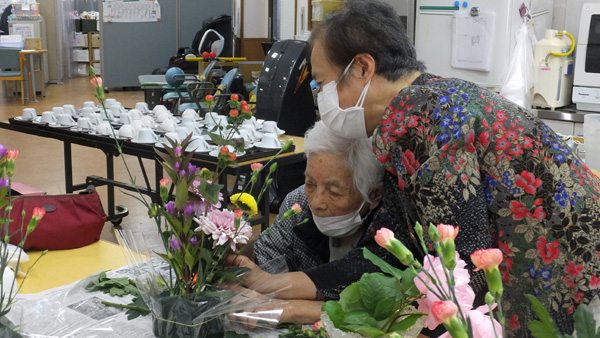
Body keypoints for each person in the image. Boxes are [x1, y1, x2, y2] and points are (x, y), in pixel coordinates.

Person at [309, 0, 600, 336]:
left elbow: (463, 267)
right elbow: (390, 249)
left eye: (321, 83)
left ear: (362, 67)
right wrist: (282, 288)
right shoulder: (422, 105)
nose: (320, 98)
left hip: (577, 278)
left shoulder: (421, 120)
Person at [228, 121, 406, 325]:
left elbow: (386, 312)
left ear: (374, 195)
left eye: (334, 192)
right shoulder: (298, 205)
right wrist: (245, 256)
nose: (316, 202)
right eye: (310, 184)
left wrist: (294, 309)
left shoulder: (392, 233)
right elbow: (265, 270)